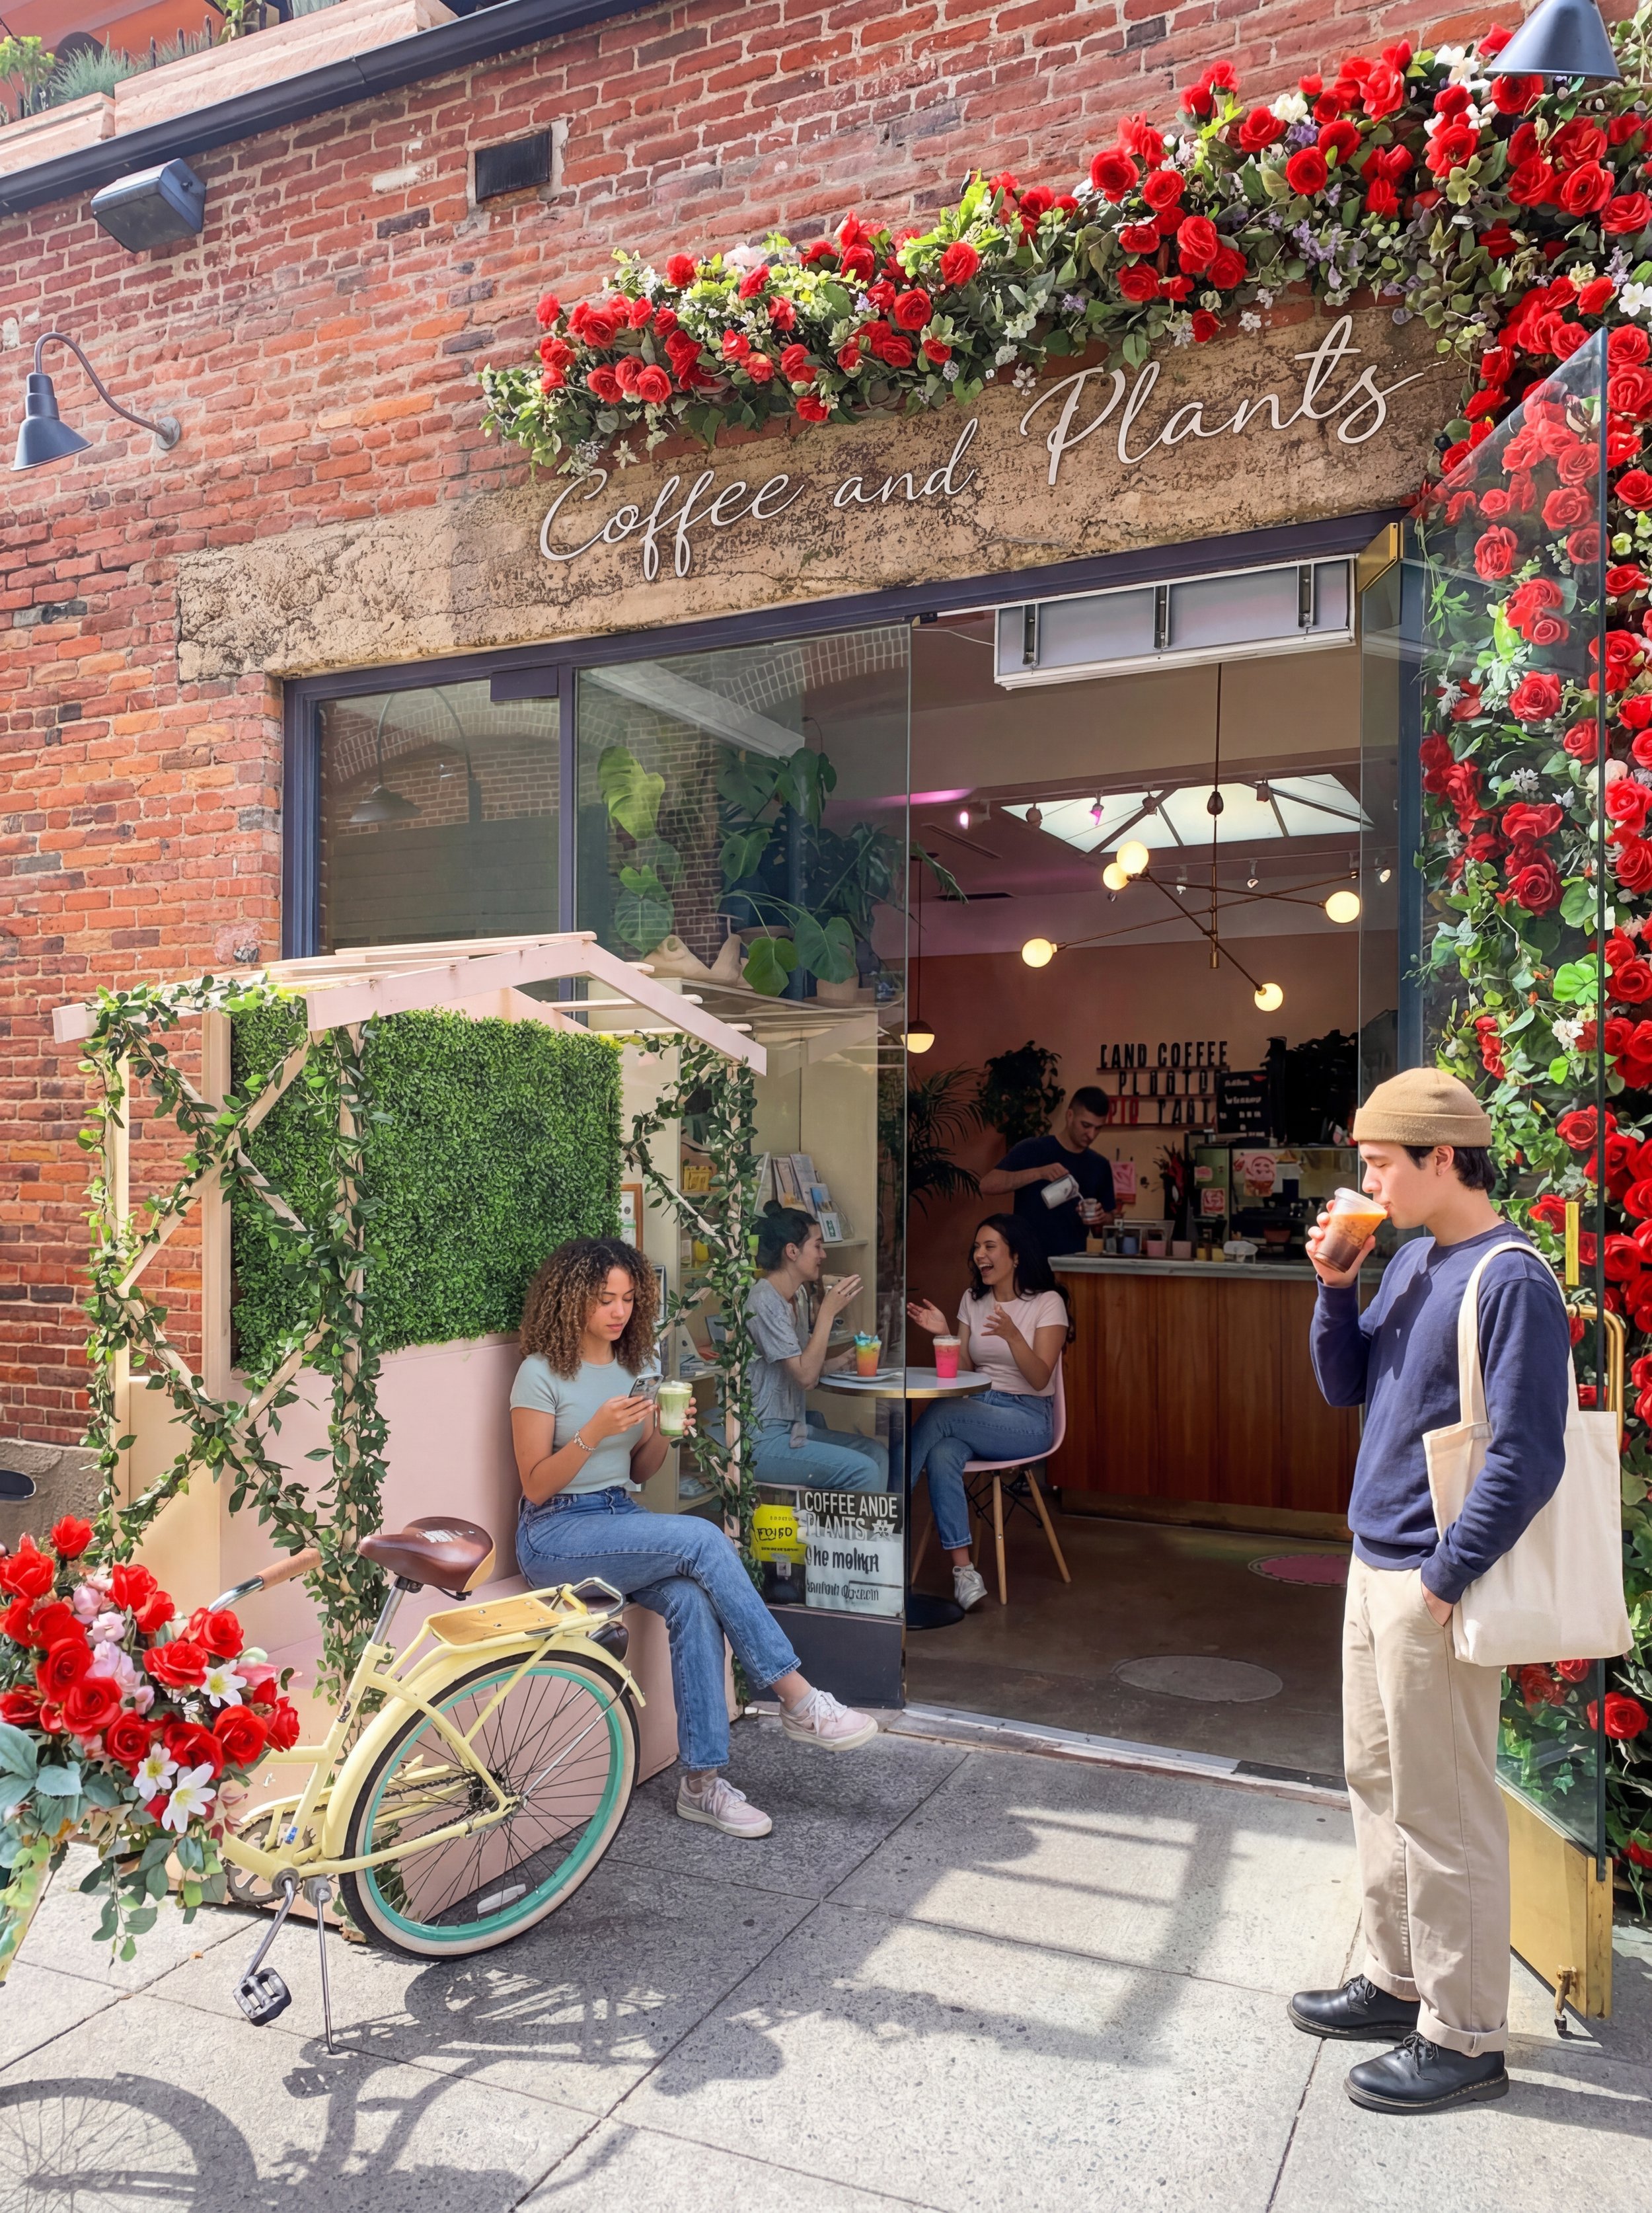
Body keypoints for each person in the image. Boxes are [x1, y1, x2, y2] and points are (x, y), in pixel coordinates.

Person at [1293, 1069, 1570, 2115]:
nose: (1363, 1179)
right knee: (1376, 1782)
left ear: (1440, 1158)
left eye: (1378, 1163)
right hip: (1375, 1561)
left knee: (1446, 1807)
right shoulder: (1409, 1258)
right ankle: (1395, 1977)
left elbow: (1530, 1453)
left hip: (1428, 1577)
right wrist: (1334, 1284)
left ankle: (1464, 2036)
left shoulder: (1511, 1279)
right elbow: (1345, 1386)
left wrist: (1447, 1579)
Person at [509, 1235, 878, 1841]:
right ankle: (797, 1696)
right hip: (554, 1533)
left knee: (692, 1597)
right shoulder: (540, 1373)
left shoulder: (634, 1367)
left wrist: (662, 1432)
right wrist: (594, 1430)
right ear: (570, 1298)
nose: (619, 1310)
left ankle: (701, 1784)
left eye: (628, 1298)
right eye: (605, 1298)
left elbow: (637, 1473)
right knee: (704, 1540)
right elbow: (536, 1485)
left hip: (615, 1514)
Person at [905, 1213, 1070, 1612]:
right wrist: (945, 1331)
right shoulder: (972, 1300)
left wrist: (1014, 1336)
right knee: (943, 1452)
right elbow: (963, 1375)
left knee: (942, 1414)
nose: (980, 1255)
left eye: (989, 1247)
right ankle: (964, 1573)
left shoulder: (1048, 1303)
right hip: (981, 1408)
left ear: (1015, 1255)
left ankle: (887, 1509)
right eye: (977, 1248)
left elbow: (1038, 1378)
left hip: (1029, 1418)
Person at [745, 1203, 890, 1492]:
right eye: (818, 1246)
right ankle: (853, 1539)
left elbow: (802, 1366)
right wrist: (827, 1313)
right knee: (863, 1470)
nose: (824, 1255)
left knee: (877, 1454)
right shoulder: (764, 1300)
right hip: (763, 1439)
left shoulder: (796, 1295)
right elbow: (805, 1377)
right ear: (792, 1251)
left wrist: (842, 1362)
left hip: (794, 1429)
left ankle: (877, 1536)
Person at [979, 1085, 1116, 1262]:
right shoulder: (1033, 1149)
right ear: (1070, 1116)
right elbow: (987, 1185)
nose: (1091, 1135)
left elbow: (1111, 1217)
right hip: (1028, 1262)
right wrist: (1039, 1173)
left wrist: (1102, 1217)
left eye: (1098, 1128)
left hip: (1073, 1263)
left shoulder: (1100, 1164)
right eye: (1086, 1125)